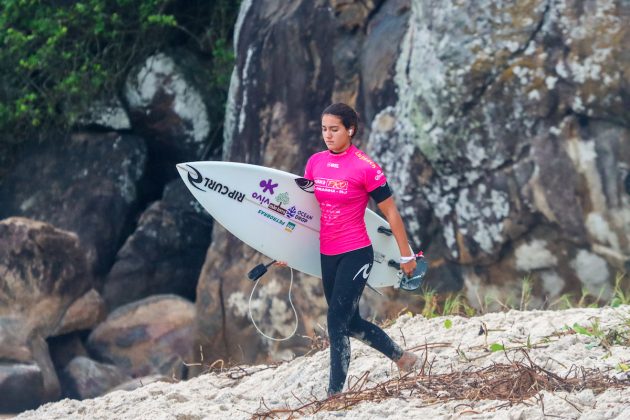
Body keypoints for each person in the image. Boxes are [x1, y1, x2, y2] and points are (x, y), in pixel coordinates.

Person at [295, 102, 419, 396]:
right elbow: (305, 210)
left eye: (335, 129)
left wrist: (406, 255)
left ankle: (335, 393)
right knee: (350, 321)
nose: (328, 135)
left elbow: (391, 213)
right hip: (328, 253)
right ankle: (403, 358)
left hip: (356, 252)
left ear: (350, 130)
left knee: (336, 320)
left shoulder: (366, 167)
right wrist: (287, 250)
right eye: (324, 129)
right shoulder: (315, 163)